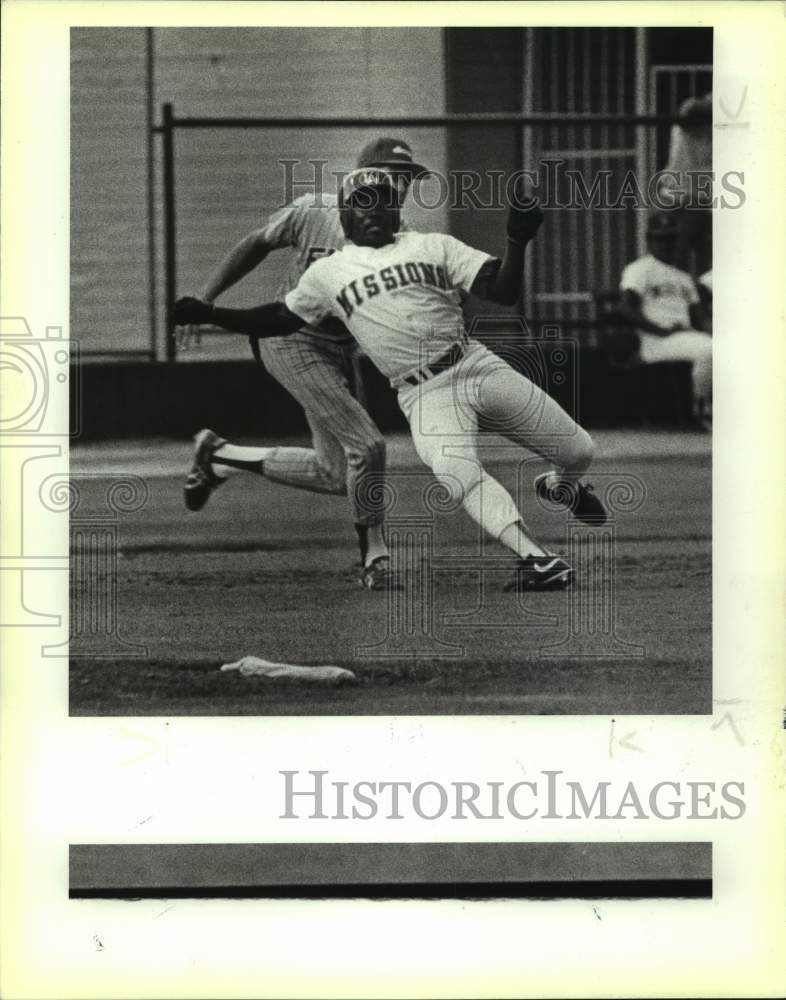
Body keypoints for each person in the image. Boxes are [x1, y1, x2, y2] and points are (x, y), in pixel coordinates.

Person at [176, 168, 607, 592]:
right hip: (424, 391)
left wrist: (517, 240)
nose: (372, 209)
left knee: (578, 450)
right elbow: (279, 319)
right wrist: (212, 313)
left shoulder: (431, 244)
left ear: (397, 209)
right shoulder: (327, 272)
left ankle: (558, 487)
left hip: (475, 365)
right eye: (360, 201)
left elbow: (503, 291)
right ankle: (535, 559)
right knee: (456, 472)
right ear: (342, 212)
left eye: (383, 199)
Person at [184, 138, 431, 591]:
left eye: (407, 179)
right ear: (359, 176)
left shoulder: (401, 238)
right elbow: (256, 243)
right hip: (289, 338)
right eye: (392, 174)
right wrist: (206, 299)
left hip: (339, 349)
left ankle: (220, 456)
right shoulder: (315, 211)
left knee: (337, 473)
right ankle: (375, 557)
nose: (401, 185)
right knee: (369, 446)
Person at [617, 212, 712, 428]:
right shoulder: (640, 269)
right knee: (711, 350)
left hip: (684, 337)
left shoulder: (684, 277)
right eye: (660, 238)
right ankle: (703, 408)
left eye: (670, 238)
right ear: (649, 240)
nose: (666, 244)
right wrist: (658, 329)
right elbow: (624, 308)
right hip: (656, 340)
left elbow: (701, 317)